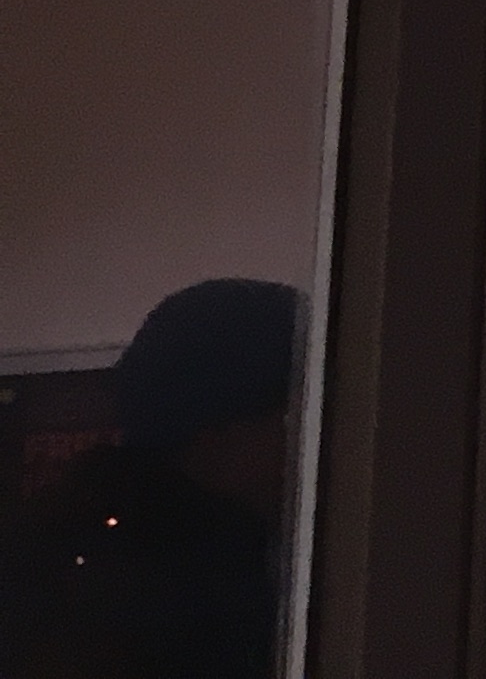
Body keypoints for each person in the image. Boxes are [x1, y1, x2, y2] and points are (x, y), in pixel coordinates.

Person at [0, 279, 298, 679]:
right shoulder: (197, 582)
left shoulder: (59, 538)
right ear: (215, 433)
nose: (301, 442)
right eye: (287, 417)